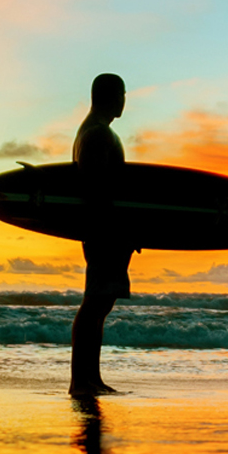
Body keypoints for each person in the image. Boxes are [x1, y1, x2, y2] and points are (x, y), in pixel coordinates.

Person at [70, 73, 135, 396]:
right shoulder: (96, 135)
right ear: (112, 96)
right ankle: (81, 381)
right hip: (103, 233)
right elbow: (96, 192)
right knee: (94, 303)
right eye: (123, 94)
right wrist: (117, 230)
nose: (125, 100)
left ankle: (90, 379)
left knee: (100, 304)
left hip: (106, 232)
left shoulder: (98, 131)